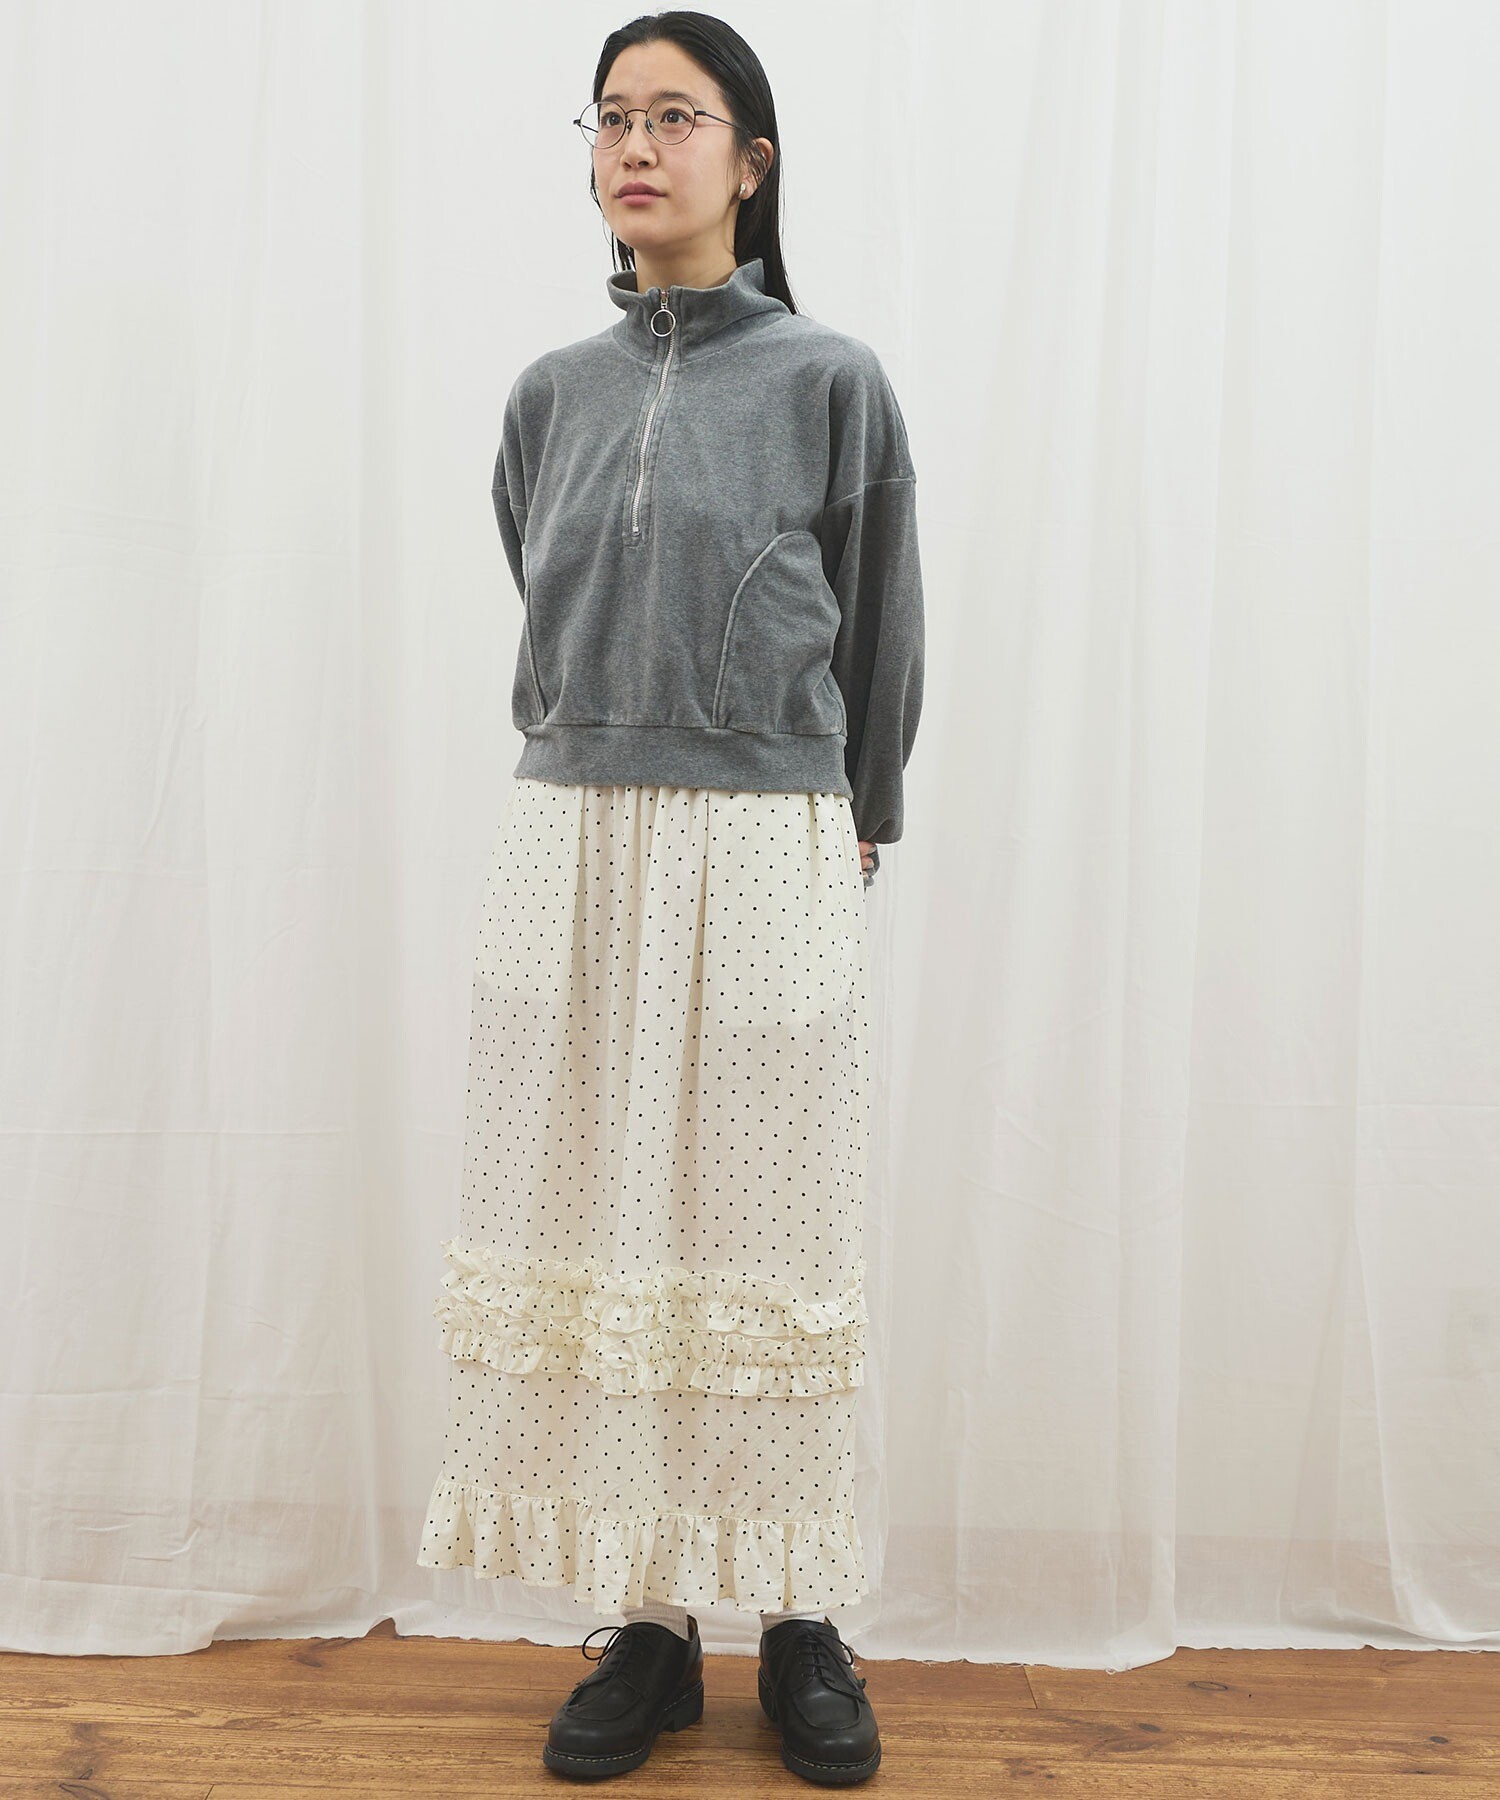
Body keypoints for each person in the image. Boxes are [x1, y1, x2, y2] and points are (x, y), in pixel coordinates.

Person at [416, 10, 923, 1785]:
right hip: (572, 840)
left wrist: (864, 807)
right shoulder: (548, 393)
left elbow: (881, 606)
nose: (637, 146)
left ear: (751, 162)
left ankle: (798, 1618)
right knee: (599, 1220)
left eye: (677, 116)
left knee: (771, 1234)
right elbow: (538, 585)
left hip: (768, 838)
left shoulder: (831, 379)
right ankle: (646, 1620)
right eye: (612, 118)